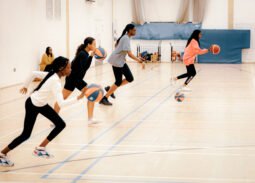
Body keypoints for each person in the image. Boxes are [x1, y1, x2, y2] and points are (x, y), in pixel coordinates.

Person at [0, 57, 85, 167]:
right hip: (33, 105)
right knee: (26, 134)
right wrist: (78, 98)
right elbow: (61, 103)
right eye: (68, 67)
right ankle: (2, 154)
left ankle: (40, 148)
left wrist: (26, 86)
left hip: (41, 104)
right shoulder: (55, 81)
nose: (70, 69)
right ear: (61, 68)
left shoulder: (52, 74)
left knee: (60, 124)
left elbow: (33, 73)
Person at [54, 37, 97, 125]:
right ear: (88, 45)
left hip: (73, 78)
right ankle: (90, 119)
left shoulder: (84, 54)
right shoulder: (83, 54)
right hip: (74, 78)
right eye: (94, 44)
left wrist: (91, 56)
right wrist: (91, 56)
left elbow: (84, 68)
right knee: (91, 94)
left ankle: (54, 119)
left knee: (61, 98)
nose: (95, 46)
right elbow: (84, 69)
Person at [100, 24, 145, 106]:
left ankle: (110, 89)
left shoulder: (125, 37)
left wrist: (122, 55)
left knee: (128, 79)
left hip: (119, 61)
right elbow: (130, 54)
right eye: (134, 30)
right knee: (120, 81)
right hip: (117, 62)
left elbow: (117, 46)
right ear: (130, 30)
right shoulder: (126, 38)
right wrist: (139, 61)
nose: (135, 31)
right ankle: (104, 98)